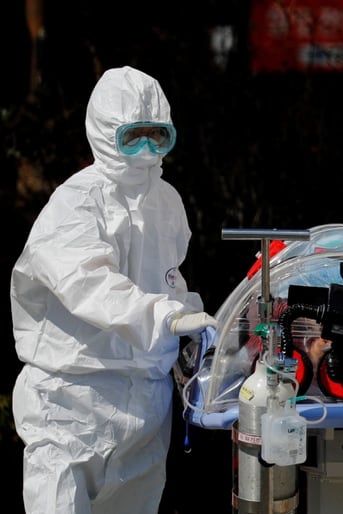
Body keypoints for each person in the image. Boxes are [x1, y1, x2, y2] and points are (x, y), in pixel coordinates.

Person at [11, 66, 217, 514]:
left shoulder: (167, 202)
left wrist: (195, 321)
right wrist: (164, 316)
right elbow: (88, 283)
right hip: (71, 403)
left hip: (144, 406)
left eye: (156, 135)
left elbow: (168, 281)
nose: (146, 150)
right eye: (133, 136)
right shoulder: (75, 203)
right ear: (104, 132)